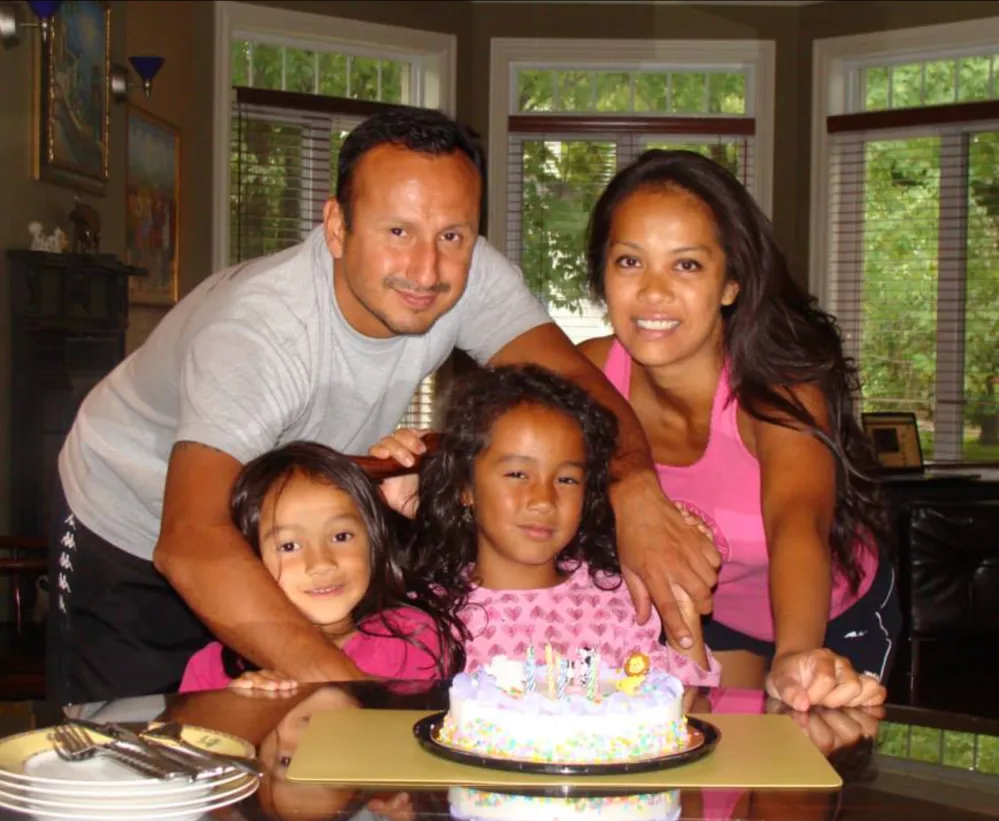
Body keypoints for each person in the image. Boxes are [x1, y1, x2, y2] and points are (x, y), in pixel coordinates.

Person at [48, 108, 718, 705]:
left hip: (296, 536)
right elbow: (191, 540)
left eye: (453, 235)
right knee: (129, 747)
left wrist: (636, 491)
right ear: (337, 226)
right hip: (139, 527)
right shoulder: (260, 335)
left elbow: (574, 384)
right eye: (397, 230)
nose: (426, 270)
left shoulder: (466, 274)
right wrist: (357, 705)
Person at [578, 149, 900, 710]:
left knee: (802, 755)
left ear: (731, 284)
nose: (653, 291)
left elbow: (798, 522)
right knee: (716, 757)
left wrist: (797, 655)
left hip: (832, 618)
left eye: (686, 265)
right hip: (712, 620)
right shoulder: (588, 374)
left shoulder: (779, 390)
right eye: (630, 261)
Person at [408, 363, 720, 684]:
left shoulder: (618, 604)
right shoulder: (427, 618)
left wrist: (681, 604)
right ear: (466, 487)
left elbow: (679, 704)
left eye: (567, 479)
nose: (544, 499)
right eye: (518, 474)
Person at [179, 442, 464, 692]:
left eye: (341, 537)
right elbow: (183, 738)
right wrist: (237, 714)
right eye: (289, 546)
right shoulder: (211, 668)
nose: (321, 564)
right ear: (250, 559)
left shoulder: (410, 638)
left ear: (374, 542)